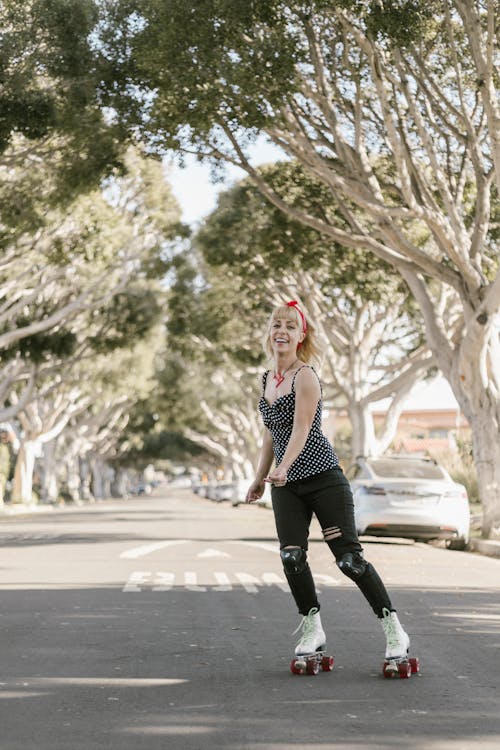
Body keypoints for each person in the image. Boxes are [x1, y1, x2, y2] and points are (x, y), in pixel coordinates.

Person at [245, 300, 410, 672]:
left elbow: (302, 428)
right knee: (291, 556)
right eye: (276, 325)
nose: (281, 331)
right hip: (285, 486)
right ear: (270, 333)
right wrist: (260, 477)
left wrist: (285, 466)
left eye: (290, 326)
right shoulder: (266, 379)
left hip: (322, 480)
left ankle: (393, 629)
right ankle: (312, 627)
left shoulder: (306, 376)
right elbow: (270, 435)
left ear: (301, 336)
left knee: (349, 560)